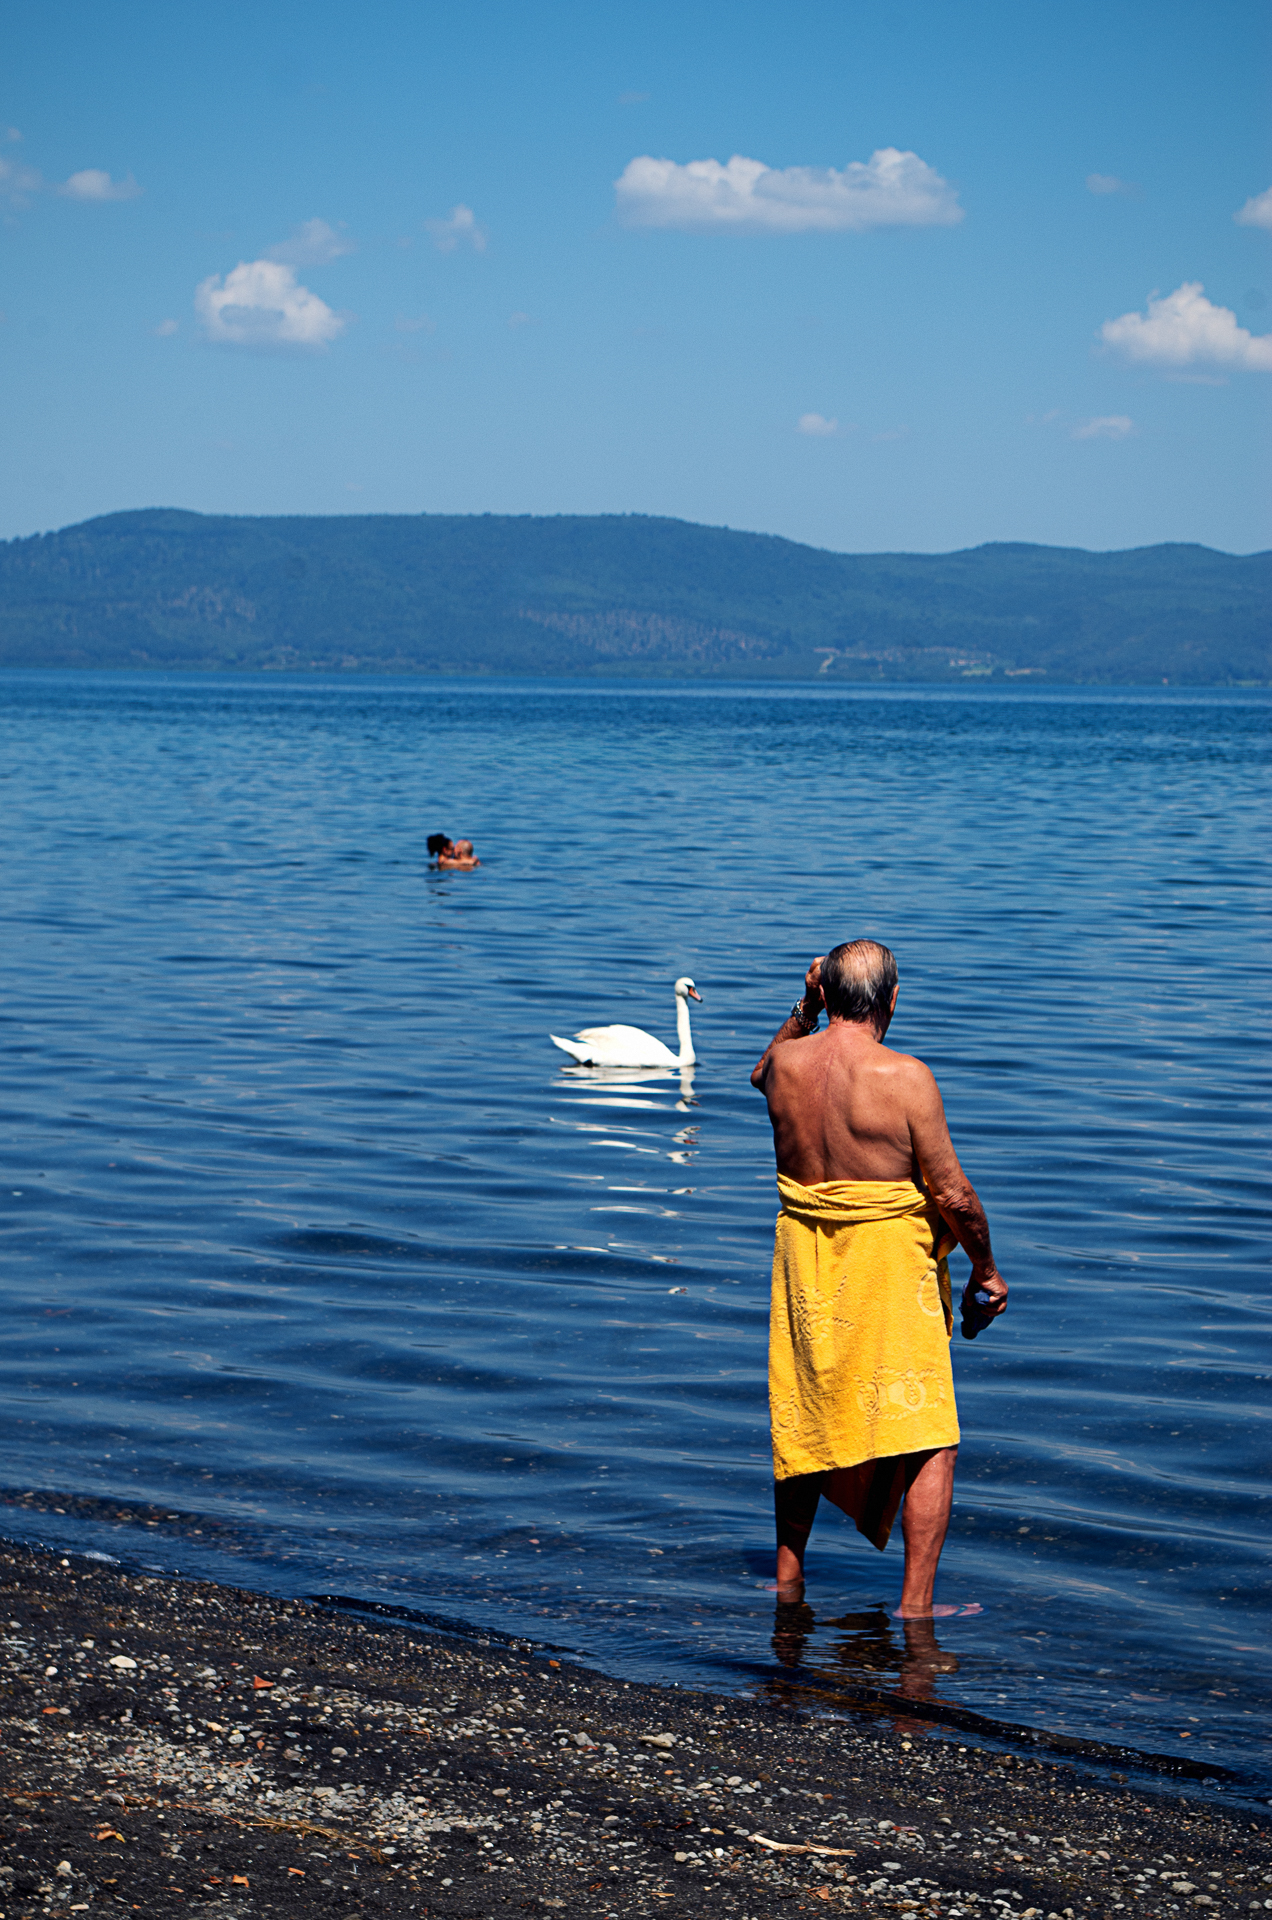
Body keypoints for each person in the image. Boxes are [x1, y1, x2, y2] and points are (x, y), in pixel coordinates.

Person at [750, 939, 1007, 1617]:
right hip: (889, 1268)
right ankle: (916, 1608)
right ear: (892, 1000)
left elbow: (758, 1074)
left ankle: (788, 1579)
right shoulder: (906, 1077)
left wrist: (805, 1003)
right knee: (927, 1435)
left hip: (805, 1263)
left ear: (827, 996)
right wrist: (986, 1268)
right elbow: (952, 1194)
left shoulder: (783, 1062)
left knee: (805, 1411)